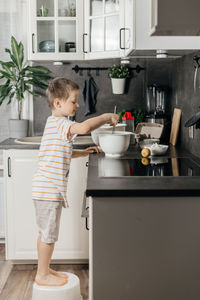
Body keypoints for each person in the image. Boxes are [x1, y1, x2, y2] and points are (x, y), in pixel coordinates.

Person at [32, 77, 119, 286]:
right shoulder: (62, 124)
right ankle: (41, 275)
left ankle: (44, 268)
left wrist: (83, 152)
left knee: (46, 233)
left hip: (45, 189)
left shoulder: (55, 124)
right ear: (58, 103)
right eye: (74, 101)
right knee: (48, 235)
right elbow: (84, 128)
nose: (77, 105)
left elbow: (62, 153)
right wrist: (106, 116)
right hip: (48, 191)